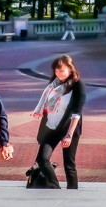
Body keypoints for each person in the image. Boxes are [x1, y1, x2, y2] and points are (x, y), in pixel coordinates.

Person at [32, 55, 86, 189]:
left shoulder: (77, 85)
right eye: (56, 71)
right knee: (42, 159)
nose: (58, 74)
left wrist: (69, 135)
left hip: (68, 128)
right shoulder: (54, 83)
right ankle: (54, 187)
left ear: (70, 69)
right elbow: (46, 107)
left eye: (61, 71)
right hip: (51, 127)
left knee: (69, 164)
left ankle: (72, 192)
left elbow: (76, 112)